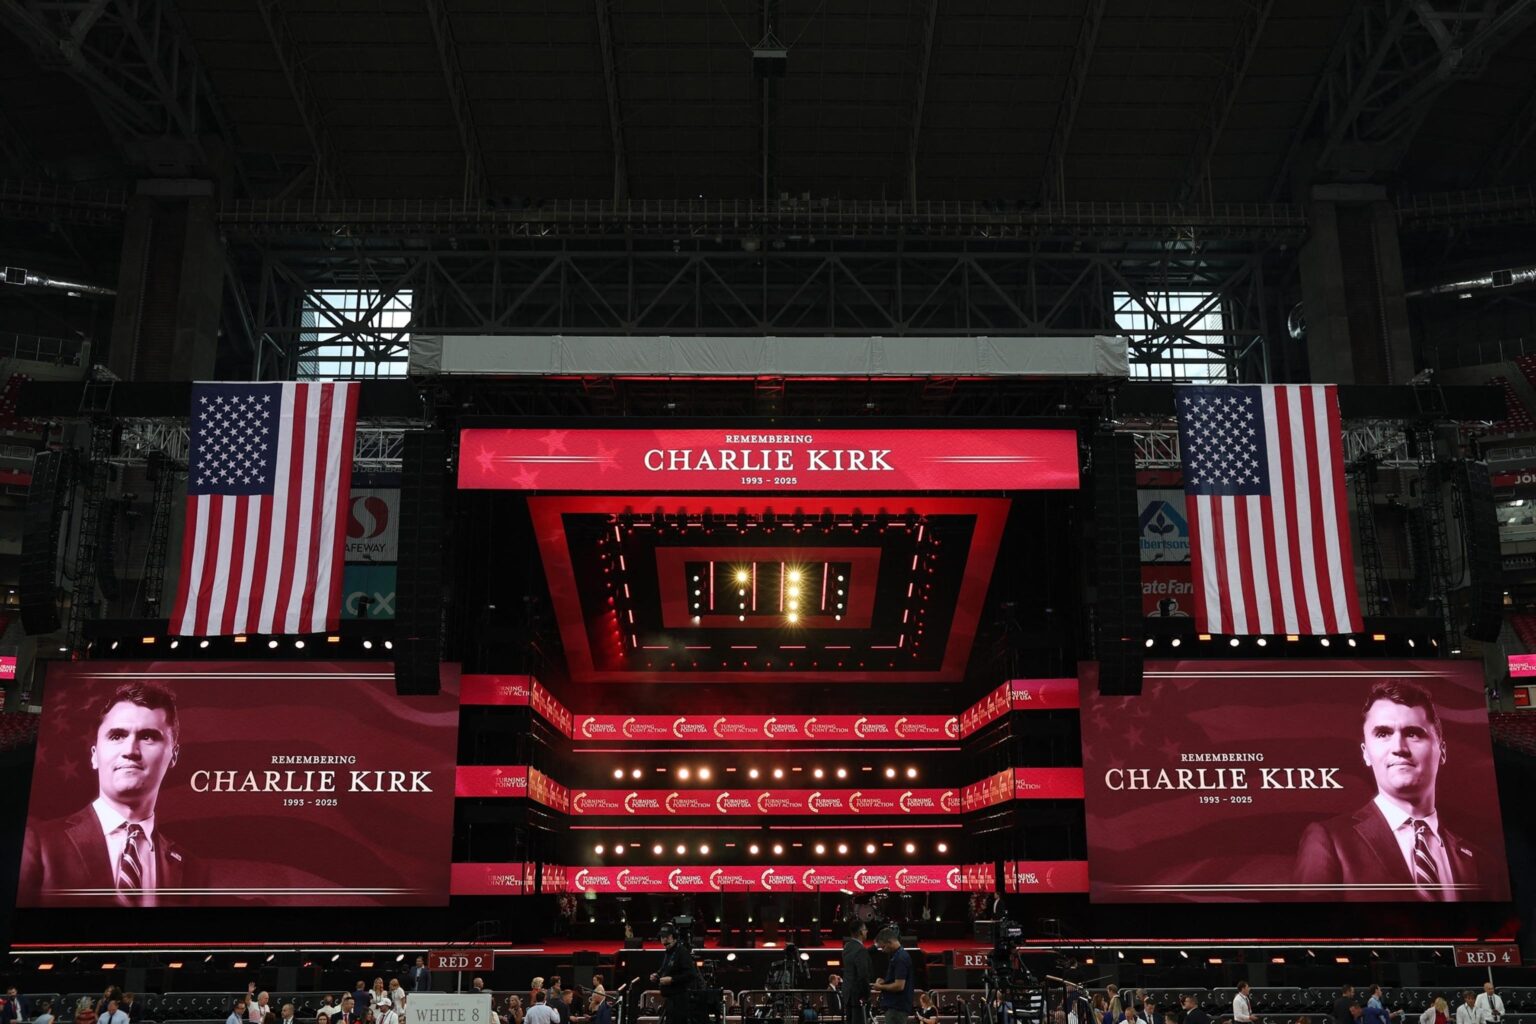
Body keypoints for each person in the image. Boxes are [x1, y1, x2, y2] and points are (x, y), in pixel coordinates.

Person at [1294, 680, 1488, 899]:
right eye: (1383, 734)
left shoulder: (1479, 860)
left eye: (1413, 733)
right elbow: (1311, 930)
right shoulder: (1329, 840)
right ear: (1366, 753)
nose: (1398, 748)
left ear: (1442, 751)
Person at [17, 682, 205, 904]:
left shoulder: (190, 868)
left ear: (173, 755)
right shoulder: (37, 844)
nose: (129, 751)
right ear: (95, 755)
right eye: (117, 736)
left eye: (148, 737)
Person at [651, 923, 700, 1024]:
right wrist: (657, 975)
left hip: (680, 1001)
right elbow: (665, 969)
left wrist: (672, 980)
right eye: (662, 937)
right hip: (670, 1000)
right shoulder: (668, 952)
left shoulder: (682, 952)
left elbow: (691, 974)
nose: (664, 940)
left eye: (667, 937)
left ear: (674, 937)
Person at [872, 927, 913, 1024]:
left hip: (896, 1008)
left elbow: (899, 986)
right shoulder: (898, 956)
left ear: (890, 942)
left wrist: (880, 986)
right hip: (896, 1007)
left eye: (883, 947)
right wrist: (884, 981)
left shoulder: (900, 958)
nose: (882, 950)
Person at [842, 921, 873, 1024]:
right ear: (860, 932)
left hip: (848, 995)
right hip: (859, 998)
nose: (867, 931)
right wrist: (867, 996)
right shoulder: (861, 950)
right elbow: (863, 975)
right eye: (865, 929)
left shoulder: (847, 947)